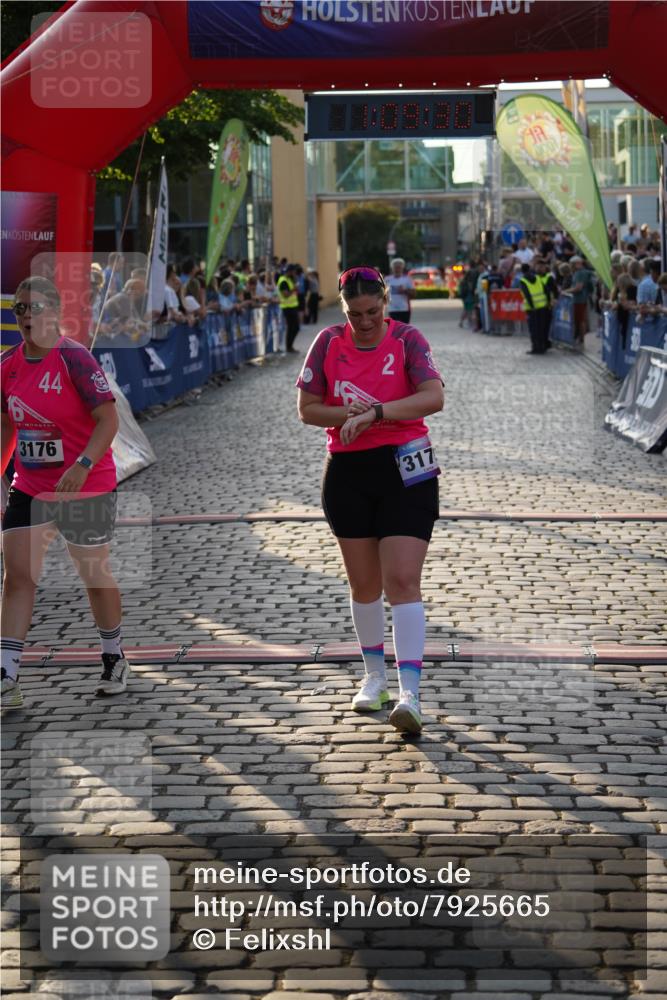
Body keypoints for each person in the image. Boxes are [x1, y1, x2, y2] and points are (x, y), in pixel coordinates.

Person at [296, 265, 444, 736]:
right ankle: (374, 677)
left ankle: (410, 693)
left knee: (402, 579)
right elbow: (307, 409)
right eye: (354, 314)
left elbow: (433, 397)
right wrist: (348, 415)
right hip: (348, 472)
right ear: (343, 310)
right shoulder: (327, 343)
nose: (364, 322)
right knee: (364, 585)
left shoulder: (407, 340)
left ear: (386, 302)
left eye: (372, 312)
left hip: (406, 467)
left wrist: (377, 413)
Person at [1, 277, 131, 709]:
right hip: (31, 486)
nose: (26, 316)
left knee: (93, 574)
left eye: (35, 307)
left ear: (55, 312)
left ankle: (114, 656)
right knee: (18, 576)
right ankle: (6, 676)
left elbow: (108, 420)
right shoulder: (7, 365)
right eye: (20, 309)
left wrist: (82, 465)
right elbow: (6, 425)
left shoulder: (74, 358)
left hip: (84, 485)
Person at [519, 260, 550, 354]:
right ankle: (543, 347)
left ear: (522, 271)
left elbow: (527, 294)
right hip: (543, 306)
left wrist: (532, 306)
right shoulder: (537, 277)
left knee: (534, 329)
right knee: (542, 327)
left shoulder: (523, 280)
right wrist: (548, 302)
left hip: (532, 309)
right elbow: (546, 290)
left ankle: (536, 348)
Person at [569, 255, 592, 350]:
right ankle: (580, 338)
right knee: (580, 319)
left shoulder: (580, 273)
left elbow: (578, 288)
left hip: (579, 299)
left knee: (580, 320)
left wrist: (566, 291)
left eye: (572, 264)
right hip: (581, 299)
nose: (571, 266)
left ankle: (581, 339)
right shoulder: (582, 272)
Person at [277, 263, 300, 352]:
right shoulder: (283, 281)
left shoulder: (289, 279)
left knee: (294, 327)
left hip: (292, 307)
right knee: (292, 327)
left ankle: (289, 346)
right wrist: (294, 289)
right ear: (290, 271)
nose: (295, 273)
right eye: (294, 271)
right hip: (287, 307)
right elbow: (285, 295)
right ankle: (289, 347)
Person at [384, 258, 415, 324]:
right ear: (392, 268)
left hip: (404, 309)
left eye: (399, 267)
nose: (397, 269)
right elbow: (382, 293)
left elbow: (413, 294)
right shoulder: (387, 279)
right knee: (394, 328)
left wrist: (405, 290)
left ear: (402, 268)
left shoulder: (407, 279)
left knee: (405, 328)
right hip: (392, 309)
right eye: (395, 267)